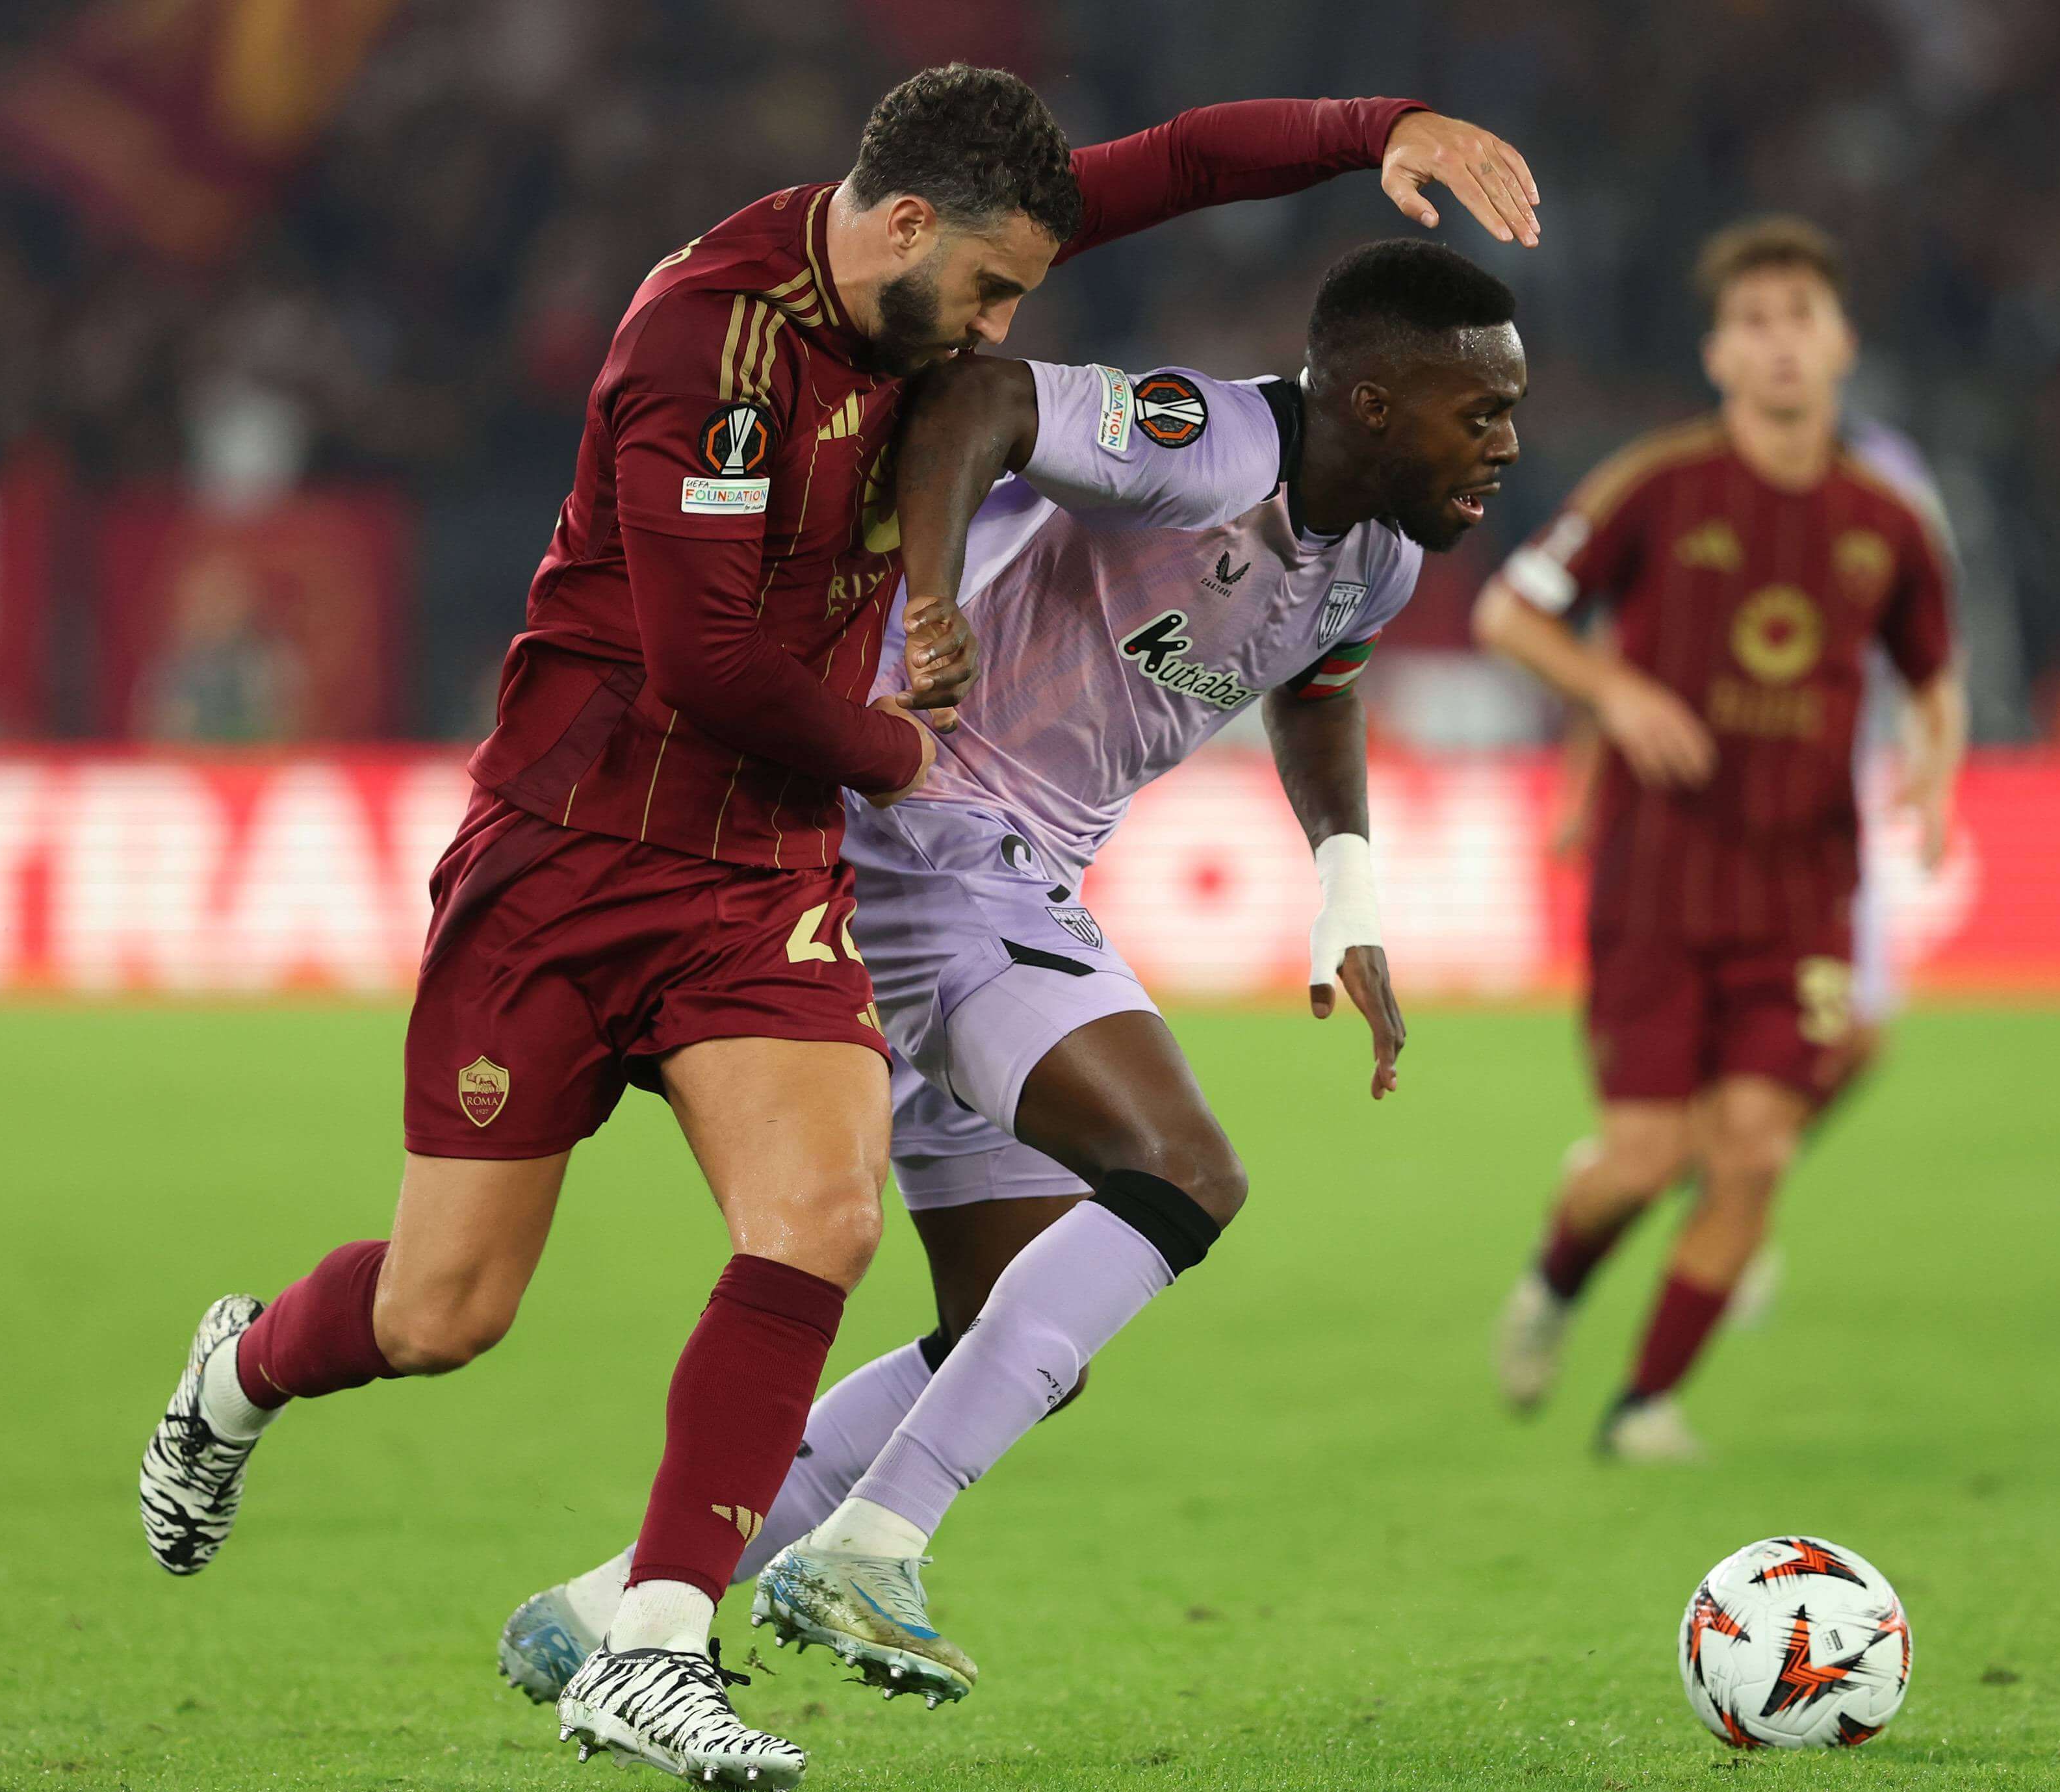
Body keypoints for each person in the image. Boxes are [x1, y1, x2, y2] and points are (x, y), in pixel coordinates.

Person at [134, 64, 1541, 1792]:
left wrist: (1370, 130)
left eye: (1024, 291)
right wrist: (909, 720)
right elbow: (709, 660)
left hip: (777, 863)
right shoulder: (710, 352)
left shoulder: (966, 271)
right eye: (989, 290)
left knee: (854, 1231)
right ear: (897, 228)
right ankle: (245, 1365)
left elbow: (1168, 171)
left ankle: (647, 1634)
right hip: (587, 851)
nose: (1001, 328)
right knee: (442, 1309)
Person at [492, 238, 1524, 1710]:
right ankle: (872, 1544)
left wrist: (1346, 881)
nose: (1502, 442)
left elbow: (1319, 677)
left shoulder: (1381, 549)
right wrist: (929, 599)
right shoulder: (1206, 440)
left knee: (1013, 1330)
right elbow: (976, 394)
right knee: (1182, 1172)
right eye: (1474, 412)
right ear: (1365, 400)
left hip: (988, 868)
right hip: (938, 831)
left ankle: (620, 1602)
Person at [1478, 214, 1967, 1463]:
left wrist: (1938, 771)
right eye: (1756, 323)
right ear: (1719, 354)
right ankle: (1553, 1282)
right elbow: (1510, 612)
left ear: (1842, 340)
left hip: (1803, 888)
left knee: (1754, 1152)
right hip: (1659, 880)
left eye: (1802, 317)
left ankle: (1642, 1407)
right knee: (1643, 1162)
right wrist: (1619, 693)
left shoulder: (1890, 521)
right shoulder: (1657, 486)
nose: (1782, 345)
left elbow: (1933, 672)